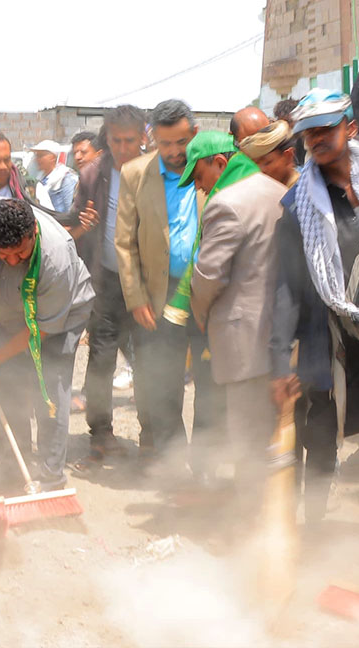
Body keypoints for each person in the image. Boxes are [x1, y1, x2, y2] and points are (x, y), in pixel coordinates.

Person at [269, 89, 359, 526]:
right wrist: (278, 360)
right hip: (330, 336)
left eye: (326, 128)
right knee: (320, 434)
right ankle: (313, 528)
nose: (317, 139)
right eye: (309, 133)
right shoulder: (298, 206)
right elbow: (286, 286)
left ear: (349, 128)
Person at [0, 198, 94, 489]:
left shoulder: (57, 257)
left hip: (59, 317)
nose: (12, 261)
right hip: (9, 309)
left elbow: (39, 329)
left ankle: (51, 477)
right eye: (2, 253)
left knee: (48, 388)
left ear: (33, 232)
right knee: (6, 385)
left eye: (20, 253)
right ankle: (17, 465)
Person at [115, 99, 222, 467]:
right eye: (165, 144)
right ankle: (174, 468)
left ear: (194, 133)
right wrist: (136, 297)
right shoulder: (134, 174)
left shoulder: (214, 164)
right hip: (158, 297)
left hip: (208, 295)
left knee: (211, 383)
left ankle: (205, 467)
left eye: (181, 142)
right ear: (152, 140)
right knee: (163, 384)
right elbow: (125, 242)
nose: (175, 152)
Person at [182, 132, 287, 501]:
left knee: (246, 434)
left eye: (199, 177)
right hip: (284, 335)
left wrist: (200, 313)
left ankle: (249, 522)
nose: (200, 187)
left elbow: (209, 276)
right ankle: (278, 514)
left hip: (244, 339)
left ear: (220, 164)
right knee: (280, 435)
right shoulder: (277, 190)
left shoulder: (226, 202)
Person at [70, 105, 147, 463]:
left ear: (143, 136)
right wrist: (82, 226)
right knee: (100, 361)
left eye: (130, 140)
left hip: (147, 285)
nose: (123, 147)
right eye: (115, 140)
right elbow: (68, 229)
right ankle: (100, 434)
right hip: (105, 283)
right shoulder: (91, 176)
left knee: (148, 358)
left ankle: (152, 435)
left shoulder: (158, 171)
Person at [239, 120, 300, 187]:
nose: (261, 170)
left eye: (267, 163)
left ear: (288, 156)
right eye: (255, 164)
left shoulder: (303, 191)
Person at [29, 139, 77, 211]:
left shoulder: (64, 178)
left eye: (40, 156)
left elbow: (69, 211)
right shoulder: (41, 179)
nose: (37, 159)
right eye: (36, 156)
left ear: (52, 157)